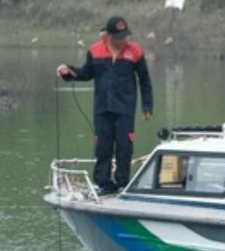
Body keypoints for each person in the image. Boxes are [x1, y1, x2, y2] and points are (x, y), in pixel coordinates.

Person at [57, 16, 154, 194]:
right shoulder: (95, 51)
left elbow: (144, 81)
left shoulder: (135, 52)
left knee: (124, 147)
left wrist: (147, 106)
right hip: (102, 108)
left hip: (125, 108)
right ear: (108, 35)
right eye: (118, 37)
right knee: (103, 147)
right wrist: (68, 71)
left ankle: (123, 183)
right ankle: (104, 184)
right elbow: (86, 74)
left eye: (125, 36)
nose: (122, 40)